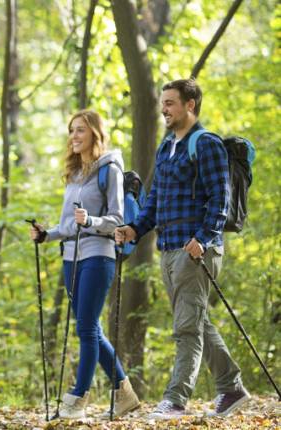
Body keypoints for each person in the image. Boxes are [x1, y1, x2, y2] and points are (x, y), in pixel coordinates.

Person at [115, 79, 250, 419]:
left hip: (196, 250)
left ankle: (175, 400)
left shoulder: (205, 144)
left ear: (190, 105)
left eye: (171, 103)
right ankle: (232, 388)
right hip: (169, 248)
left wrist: (203, 238)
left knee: (186, 327)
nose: (164, 109)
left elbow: (220, 198)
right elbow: (155, 199)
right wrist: (135, 228)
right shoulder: (166, 147)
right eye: (163, 103)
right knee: (196, 321)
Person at [29, 109, 139, 419]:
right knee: (90, 327)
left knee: (86, 328)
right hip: (70, 257)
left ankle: (78, 398)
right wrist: (45, 235)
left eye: (80, 130)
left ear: (94, 133)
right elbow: (68, 225)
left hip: (99, 254)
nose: (74, 136)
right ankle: (125, 393)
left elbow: (118, 219)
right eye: (71, 131)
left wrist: (91, 220)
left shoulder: (110, 169)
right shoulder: (75, 173)